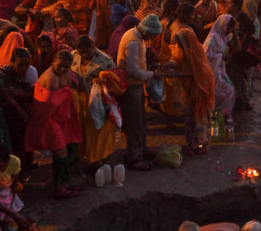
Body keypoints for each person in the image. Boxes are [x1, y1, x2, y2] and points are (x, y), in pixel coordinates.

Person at [25, 50, 84, 197]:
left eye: (66, 67)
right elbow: (49, 105)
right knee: (61, 151)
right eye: (60, 66)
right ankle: (59, 188)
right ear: (53, 62)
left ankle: (65, 182)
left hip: (61, 115)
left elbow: (73, 83)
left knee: (71, 145)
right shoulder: (51, 79)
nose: (63, 69)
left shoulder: (67, 73)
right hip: (49, 118)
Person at [117, 14, 165, 171]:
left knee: (141, 121)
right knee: (134, 124)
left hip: (137, 86)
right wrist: (152, 74)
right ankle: (134, 157)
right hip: (130, 87)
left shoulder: (136, 35)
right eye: (151, 35)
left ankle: (142, 149)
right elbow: (132, 70)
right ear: (146, 31)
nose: (151, 38)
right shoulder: (133, 42)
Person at [72, 36, 119, 165]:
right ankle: (84, 156)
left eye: (87, 51)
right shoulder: (73, 56)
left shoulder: (105, 61)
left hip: (98, 101)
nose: (84, 55)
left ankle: (100, 158)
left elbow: (115, 81)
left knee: (98, 131)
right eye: (81, 52)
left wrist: (103, 81)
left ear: (93, 47)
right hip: (79, 100)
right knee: (83, 130)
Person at [170, 28, 216, 155]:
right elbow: (175, 60)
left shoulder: (196, 51)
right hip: (187, 89)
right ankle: (191, 143)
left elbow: (199, 72)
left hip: (200, 88)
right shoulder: (179, 50)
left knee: (201, 118)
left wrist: (180, 73)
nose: (177, 45)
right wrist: (170, 66)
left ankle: (204, 143)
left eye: (179, 43)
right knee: (189, 117)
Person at [203, 14, 238, 127]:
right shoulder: (213, 37)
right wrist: (221, 56)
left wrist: (235, 33)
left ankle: (223, 114)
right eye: (229, 27)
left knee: (230, 90)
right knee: (227, 90)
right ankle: (218, 115)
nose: (229, 30)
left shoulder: (224, 36)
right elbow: (205, 55)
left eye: (231, 28)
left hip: (220, 69)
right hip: (212, 70)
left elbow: (237, 48)